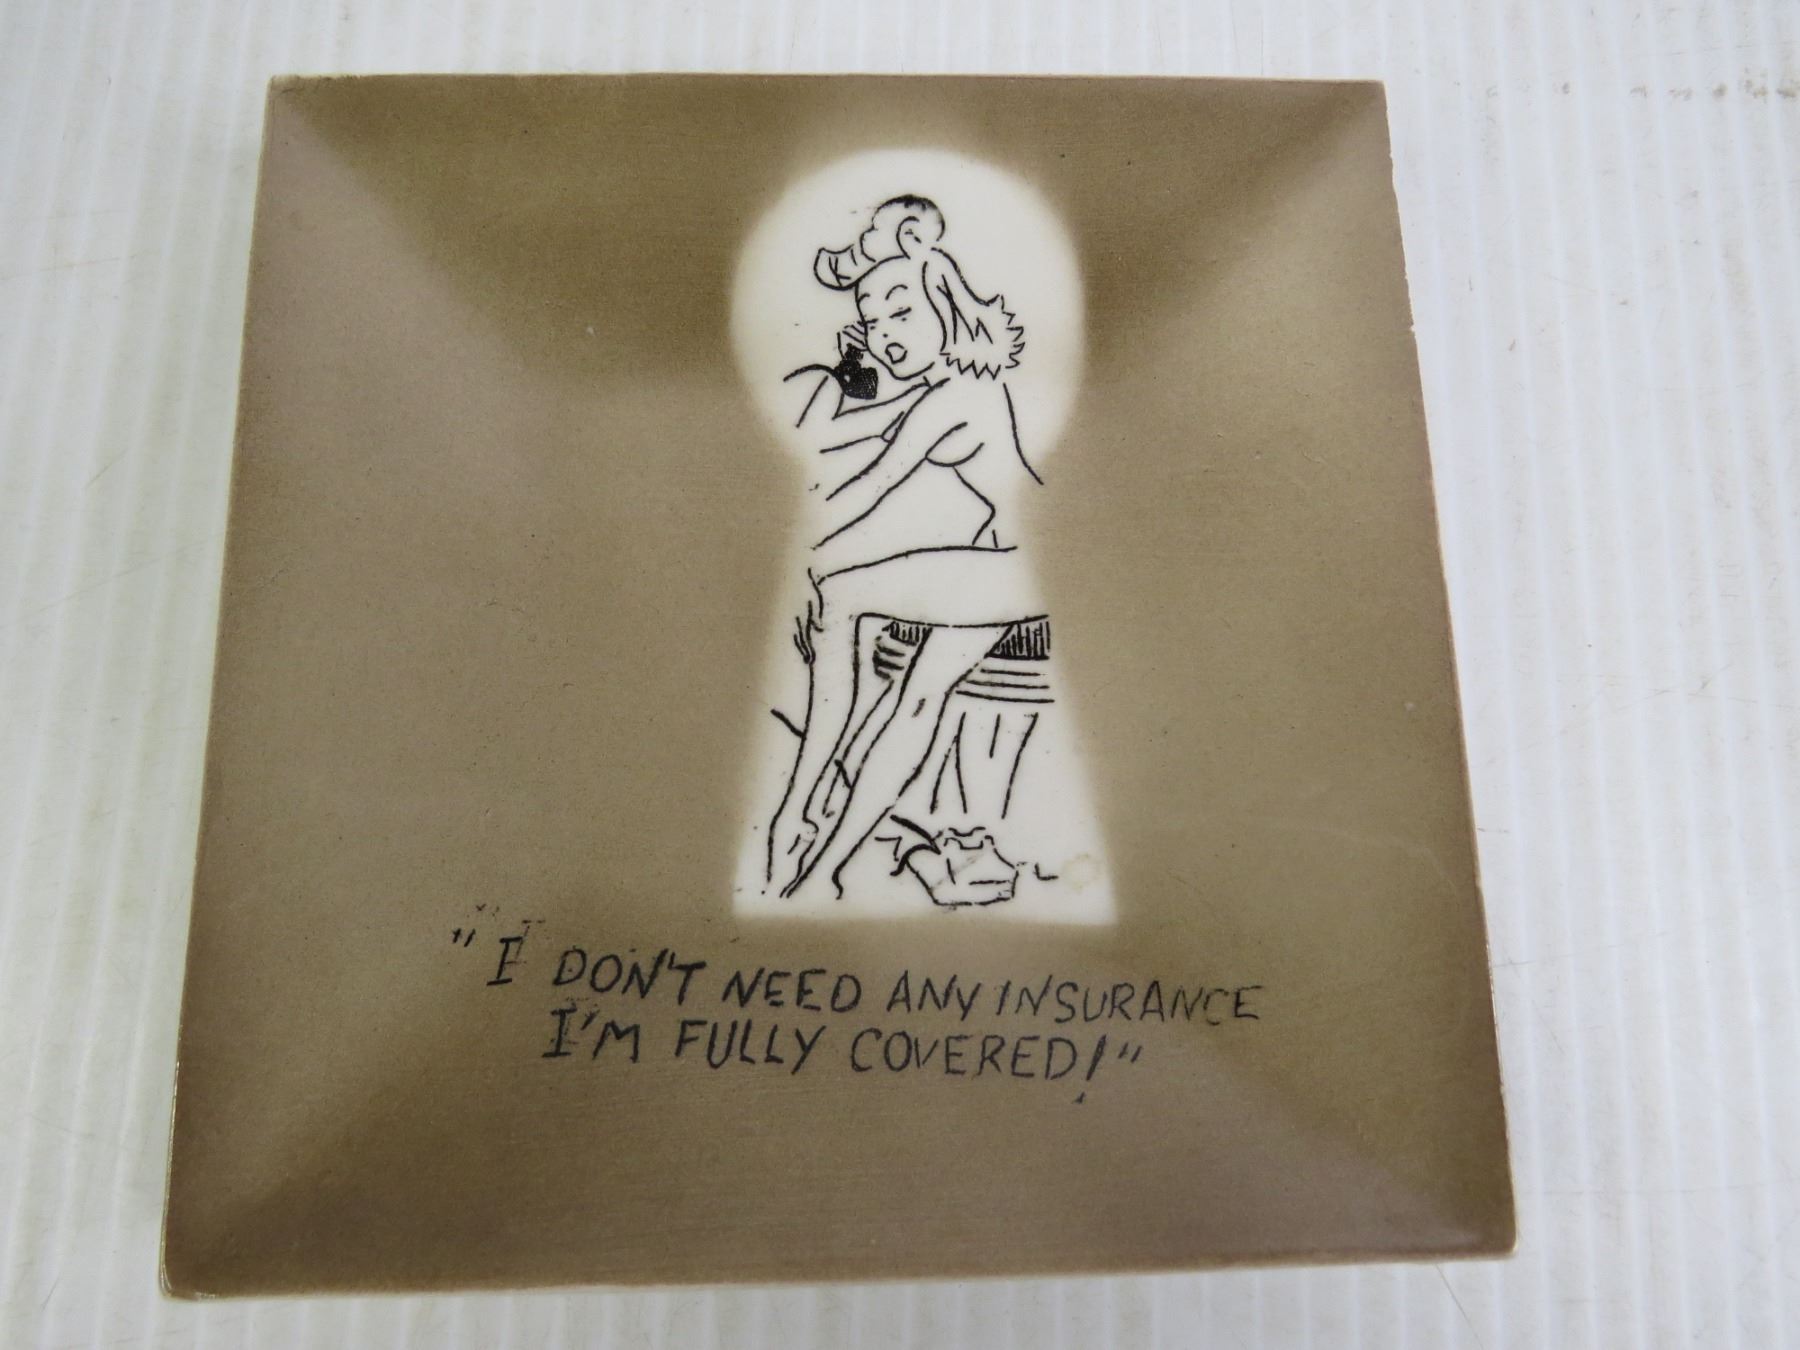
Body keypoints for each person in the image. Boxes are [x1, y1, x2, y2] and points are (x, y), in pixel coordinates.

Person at [766, 195, 1046, 900]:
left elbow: (867, 489)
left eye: (902, 311)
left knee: (839, 593)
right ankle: (824, 866)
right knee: (919, 698)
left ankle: (798, 810)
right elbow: (863, 458)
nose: (886, 333)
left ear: (943, 305)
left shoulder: (958, 396)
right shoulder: (953, 389)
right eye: (874, 318)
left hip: (1023, 567)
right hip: (1013, 564)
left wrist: (790, 556)